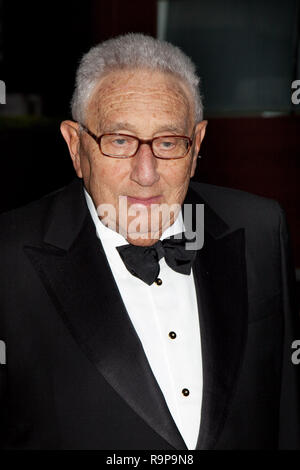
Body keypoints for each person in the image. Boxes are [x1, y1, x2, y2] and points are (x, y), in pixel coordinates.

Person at [0, 33, 299, 450]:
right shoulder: (7, 257)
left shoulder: (262, 228)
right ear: (75, 146)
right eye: (120, 141)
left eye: (168, 142)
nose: (146, 173)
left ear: (197, 146)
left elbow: (285, 415)